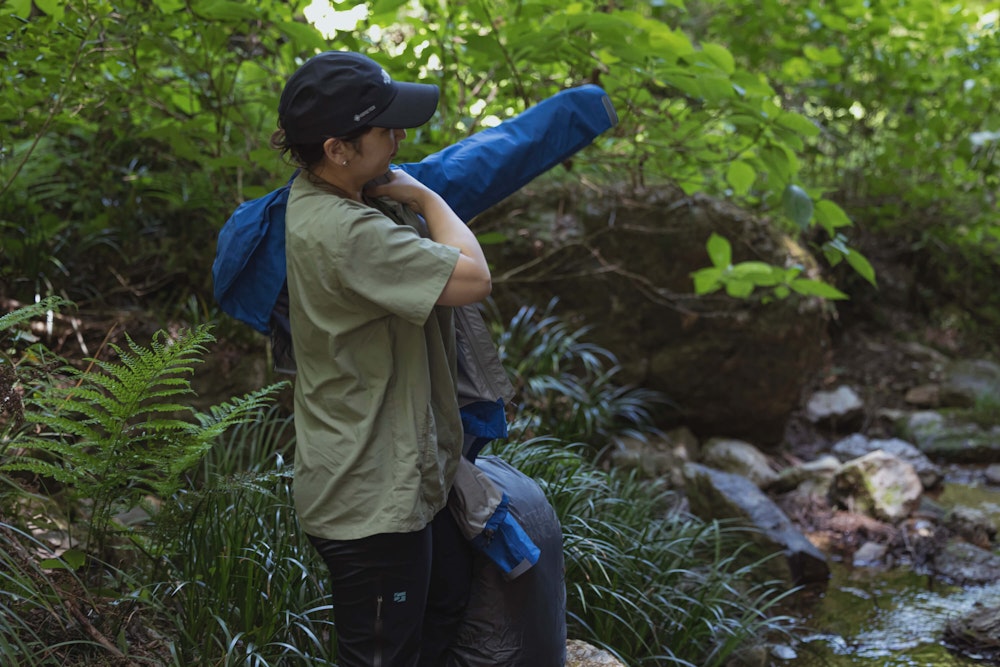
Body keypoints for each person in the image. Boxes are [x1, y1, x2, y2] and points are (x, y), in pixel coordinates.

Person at [272, 50, 490, 667]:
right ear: (338, 148)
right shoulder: (348, 231)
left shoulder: (328, 197)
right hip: (368, 503)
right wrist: (428, 199)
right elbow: (473, 279)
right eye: (385, 128)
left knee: (442, 609)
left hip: (399, 479)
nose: (400, 137)